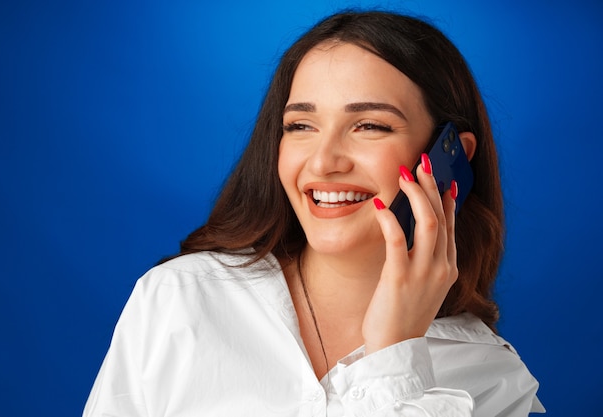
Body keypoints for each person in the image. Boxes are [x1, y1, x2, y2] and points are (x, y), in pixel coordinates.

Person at [83, 10, 544, 416]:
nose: (323, 162)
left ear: (449, 162)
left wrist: (395, 354)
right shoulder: (180, 300)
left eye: (369, 126)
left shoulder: (492, 379)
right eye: (301, 125)